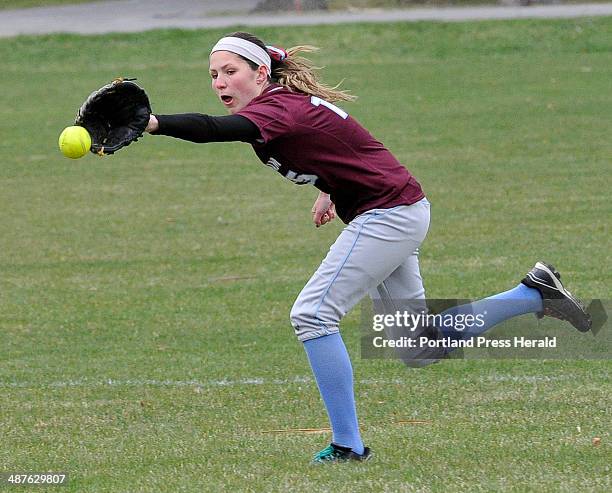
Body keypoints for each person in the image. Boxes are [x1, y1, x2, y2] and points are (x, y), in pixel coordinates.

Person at [144, 32, 592, 464]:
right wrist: (330, 189)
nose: (220, 82)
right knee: (417, 347)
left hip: (389, 215)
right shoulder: (281, 106)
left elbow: (217, 129)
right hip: (397, 211)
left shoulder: (276, 106)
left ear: (261, 73)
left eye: (229, 71)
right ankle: (533, 293)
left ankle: (347, 446)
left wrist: (153, 123)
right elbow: (339, 148)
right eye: (213, 74)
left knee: (312, 314)